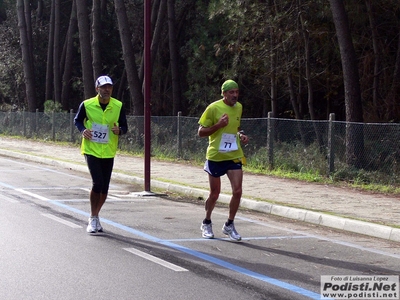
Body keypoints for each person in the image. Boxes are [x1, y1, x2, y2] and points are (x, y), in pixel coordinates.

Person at [74, 75, 128, 233]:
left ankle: (96, 216)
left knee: (105, 188)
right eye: (103, 87)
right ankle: (92, 217)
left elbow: (124, 126)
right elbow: (77, 120)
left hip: (109, 150)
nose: (107, 90)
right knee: (97, 183)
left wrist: (120, 131)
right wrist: (83, 130)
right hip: (91, 150)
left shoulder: (118, 105)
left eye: (109, 87)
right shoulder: (87, 104)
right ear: (97, 89)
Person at [197, 79, 249, 241]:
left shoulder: (239, 107)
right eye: (231, 92)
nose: (235, 95)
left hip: (233, 155)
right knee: (215, 194)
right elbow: (201, 132)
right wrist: (218, 125)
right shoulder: (213, 108)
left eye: (237, 92)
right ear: (224, 94)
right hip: (216, 156)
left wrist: (241, 135)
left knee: (238, 191)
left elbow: (236, 126)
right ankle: (206, 222)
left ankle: (229, 224)